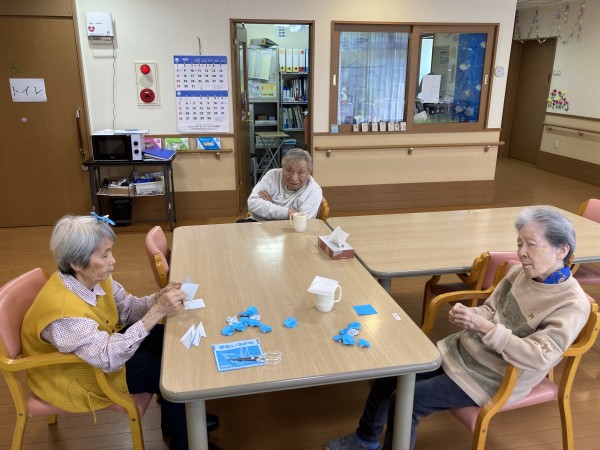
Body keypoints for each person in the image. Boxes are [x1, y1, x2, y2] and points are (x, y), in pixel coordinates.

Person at [325, 206, 591, 450]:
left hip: (494, 376)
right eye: (519, 243)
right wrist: (472, 314)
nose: (521, 252)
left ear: (561, 250)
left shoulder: (572, 304)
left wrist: (485, 328)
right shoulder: (519, 272)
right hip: (463, 352)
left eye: (531, 244)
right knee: (391, 374)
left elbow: (539, 356)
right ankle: (364, 441)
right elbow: (491, 309)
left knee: (407, 400)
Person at [21, 214, 220, 450]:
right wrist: (156, 311)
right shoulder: (64, 314)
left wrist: (158, 298)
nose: (113, 261)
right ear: (76, 263)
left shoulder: (92, 277)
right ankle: (185, 440)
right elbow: (108, 358)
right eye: (105, 254)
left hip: (101, 347)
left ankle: (179, 422)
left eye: (110, 251)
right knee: (169, 373)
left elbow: (126, 309)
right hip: (76, 372)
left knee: (169, 342)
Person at [242, 148, 322, 222]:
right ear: (282, 169)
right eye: (289, 170)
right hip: (257, 223)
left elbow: (301, 221)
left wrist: (269, 207)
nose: (294, 178)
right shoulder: (272, 175)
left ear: (309, 173)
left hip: (288, 230)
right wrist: (288, 213)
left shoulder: (313, 190)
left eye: (301, 172)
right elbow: (252, 203)